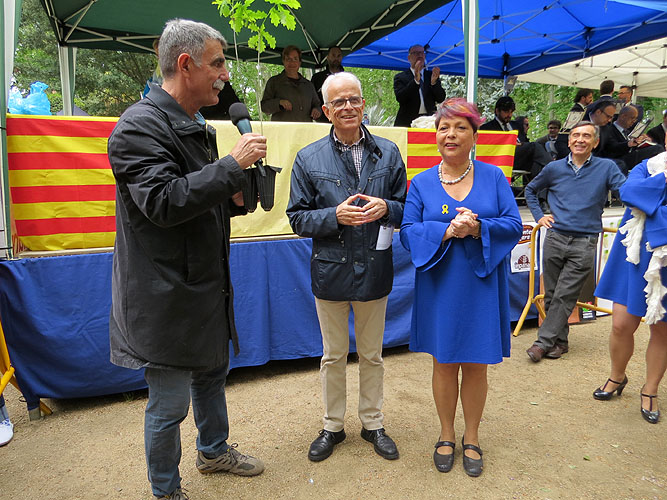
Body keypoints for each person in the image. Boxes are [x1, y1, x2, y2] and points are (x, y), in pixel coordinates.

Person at [108, 19, 267, 500]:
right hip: (165, 295)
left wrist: (235, 194)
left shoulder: (197, 126)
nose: (225, 75)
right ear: (185, 64)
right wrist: (230, 168)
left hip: (204, 285)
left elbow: (199, 197)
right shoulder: (137, 127)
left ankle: (213, 451)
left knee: (212, 376)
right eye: (217, 63)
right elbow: (162, 202)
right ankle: (166, 490)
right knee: (169, 404)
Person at [287, 72, 407, 463]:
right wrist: (333, 216)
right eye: (339, 102)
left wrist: (387, 207)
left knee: (372, 355)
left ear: (363, 104)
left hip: (374, 266)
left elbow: (407, 208)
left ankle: (373, 423)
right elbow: (297, 218)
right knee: (333, 355)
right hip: (331, 271)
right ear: (326, 111)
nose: (348, 107)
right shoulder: (308, 158)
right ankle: (332, 426)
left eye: (354, 99)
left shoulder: (388, 152)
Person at [400, 98, 523, 477]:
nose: (450, 135)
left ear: (474, 135)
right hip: (440, 285)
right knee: (443, 362)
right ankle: (446, 434)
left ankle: (472, 436)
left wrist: (479, 227)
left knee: (476, 364)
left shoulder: (494, 177)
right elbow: (407, 232)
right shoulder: (420, 183)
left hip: (482, 284)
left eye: (460, 127)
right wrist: (448, 230)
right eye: (443, 128)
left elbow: (514, 225)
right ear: (435, 136)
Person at [524, 121, 626, 363]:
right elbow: (530, 190)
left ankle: (542, 342)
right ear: (569, 141)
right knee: (551, 295)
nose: (580, 139)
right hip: (555, 237)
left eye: (586, 136)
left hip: (585, 241)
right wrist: (539, 217)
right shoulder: (554, 168)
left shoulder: (606, 167)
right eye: (576, 135)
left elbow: (626, 191)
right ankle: (560, 342)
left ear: (595, 142)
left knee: (565, 294)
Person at [592, 151, 667, 424]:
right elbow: (629, 192)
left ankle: (650, 389)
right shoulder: (648, 165)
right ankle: (617, 376)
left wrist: (651, 200)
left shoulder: (649, 173)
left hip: (664, 260)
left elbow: (641, 196)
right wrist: (663, 182)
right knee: (621, 324)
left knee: (662, 329)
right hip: (634, 257)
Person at [261, 45, 321, 122]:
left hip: (305, 128)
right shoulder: (274, 82)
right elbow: (264, 107)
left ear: (299, 62)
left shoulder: (308, 85)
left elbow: (317, 105)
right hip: (283, 128)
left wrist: (317, 110)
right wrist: (279, 102)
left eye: (295, 59)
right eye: (288, 59)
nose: (292, 62)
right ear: (283, 61)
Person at [598, 105, 664, 175]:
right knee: (658, 148)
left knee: (656, 148)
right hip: (619, 160)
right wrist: (628, 144)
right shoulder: (609, 130)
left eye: (635, 119)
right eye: (632, 118)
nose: (634, 121)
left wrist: (642, 142)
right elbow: (612, 147)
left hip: (628, 156)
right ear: (623, 116)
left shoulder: (628, 131)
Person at [393, 44, 445, 127]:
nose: (420, 55)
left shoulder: (431, 75)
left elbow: (440, 98)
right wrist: (415, 81)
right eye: (416, 53)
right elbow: (400, 98)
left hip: (428, 121)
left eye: (422, 53)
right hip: (407, 121)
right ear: (409, 58)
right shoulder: (401, 77)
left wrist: (434, 83)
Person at [311, 46, 344, 123]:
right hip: (323, 122)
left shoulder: (348, 78)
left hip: (342, 120)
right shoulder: (317, 78)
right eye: (333, 55)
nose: (336, 58)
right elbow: (311, 99)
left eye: (338, 56)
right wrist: (315, 108)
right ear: (327, 57)